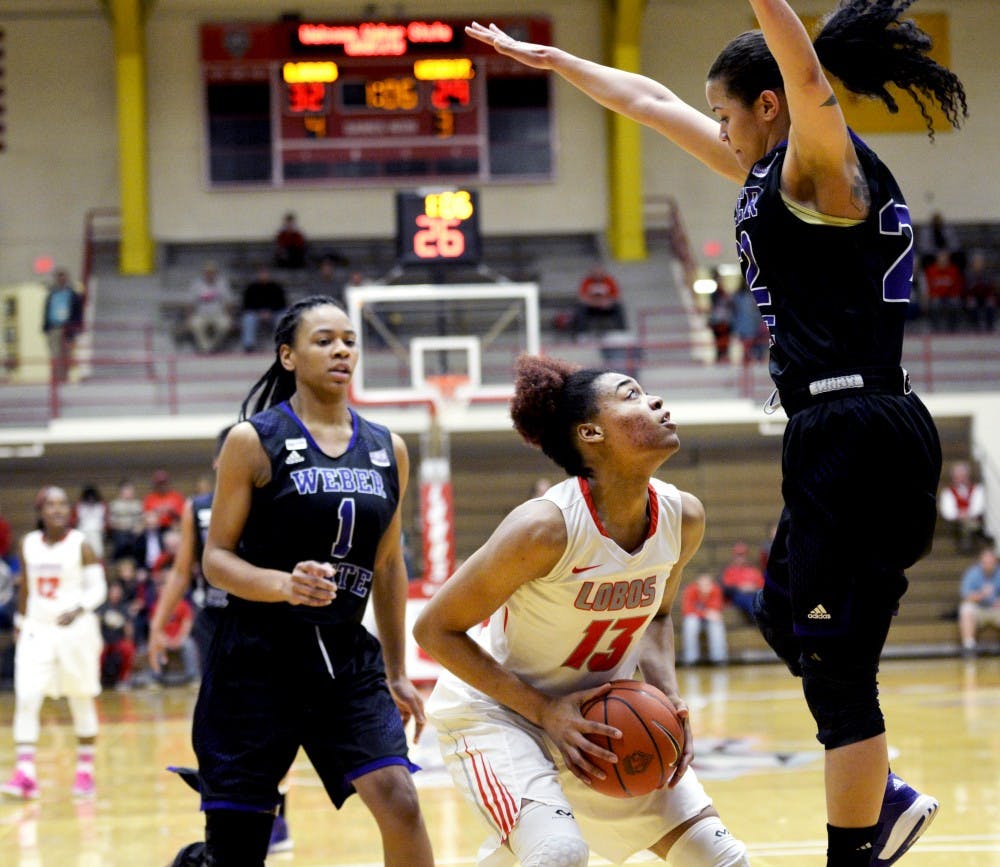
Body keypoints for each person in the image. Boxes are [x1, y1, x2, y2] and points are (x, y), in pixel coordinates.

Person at [466, 1, 967, 863]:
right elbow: (650, 104)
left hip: (854, 424)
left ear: (769, 106)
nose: (721, 129)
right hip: (844, 428)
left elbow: (805, 75)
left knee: (835, 665)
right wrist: (557, 63)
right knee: (783, 616)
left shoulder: (822, 164)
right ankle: (878, 790)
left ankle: (860, 840)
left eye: (730, 112)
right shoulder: (769, 177)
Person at [414, 354, 749, 866]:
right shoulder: (545, 528)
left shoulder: (683, 516)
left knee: (723, 860)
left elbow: (656, 616)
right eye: (631, 395)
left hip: (598, 720)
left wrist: (668, 695)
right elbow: (434, 629)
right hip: (502, 714)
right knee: (559, 853)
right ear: (591, 433)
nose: (655, 401)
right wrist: (545, 712)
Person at [168, 295, 433, 867]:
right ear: (288, 355)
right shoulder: (252, 441)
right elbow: (216, 560)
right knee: (238, 851)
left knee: (400, 801)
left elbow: (388, 565)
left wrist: (396, 671)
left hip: (345, 662)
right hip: (254, 662)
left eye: (349, 340)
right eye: (324, 340)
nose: (341, 349)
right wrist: (283, 584)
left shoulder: (390, 449)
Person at [1, 486, 107, 800]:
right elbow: (25, 591)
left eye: (63, 504)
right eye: (51, 504)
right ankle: (25, 774)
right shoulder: (28, 544)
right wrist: (20, 623)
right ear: (41, 511)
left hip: (76, 631)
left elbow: (97, 589)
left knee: (80, 697)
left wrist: (79, 609)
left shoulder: (81, 545)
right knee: (28, 696)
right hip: (38, 629)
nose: (58, 510)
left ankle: (85, 773)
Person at [42, 268, 84, 383]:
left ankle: (64, 379)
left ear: (67, 279)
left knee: (66, 354)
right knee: (55, 355)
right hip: (53, 328)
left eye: (63, 277)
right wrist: (46, 327)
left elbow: (78, 313)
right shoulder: (51, 295)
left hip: (68, 329)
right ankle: (56, 380)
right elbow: (46, 311)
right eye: (59, 277)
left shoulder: (73, 295)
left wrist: (76, 328)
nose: (61, 280)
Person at [958, 547, 1000, 658]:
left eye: (991, 562)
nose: (988, 565)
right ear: (981, 562)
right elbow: (965, 595)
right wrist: (981, 595)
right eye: (986, 562)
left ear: (995, 562)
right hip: (979, 609)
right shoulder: (972, 573)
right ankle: (969, 646)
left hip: (996, 610)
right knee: (966, 608)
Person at [938, 461, 987, 554]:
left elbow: (979, 506)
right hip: (956, 523)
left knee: (969, 523)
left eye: (963, 476)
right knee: (966, 525)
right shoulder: (948, 492)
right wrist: (959, 515)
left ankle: (970, 541)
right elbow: (947, 511)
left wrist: (967, 513)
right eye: (958, 476)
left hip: (973, 518)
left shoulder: (977, 489)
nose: (961, 479)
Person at [186, 261, 234, 353]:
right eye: (207, 272)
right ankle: (206, 348)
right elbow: (190, 303)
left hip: (218, 314)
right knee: (194, 324)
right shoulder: (196, 284)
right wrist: (189, 317)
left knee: (226, 324)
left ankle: (212, 346)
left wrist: (229, 316)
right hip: (201, 315)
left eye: (212, 272)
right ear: (204, 273)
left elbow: (228, 302)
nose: (210, 274)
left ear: (216, 273)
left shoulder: (222, 284)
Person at [681, 573, 728, 667]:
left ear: (712, 584)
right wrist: (705, 613)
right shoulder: (690, 590)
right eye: (702, 585)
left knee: (716, 623)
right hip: (696, 618)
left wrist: (706, 613)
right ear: (697, 585)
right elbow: (687, 609)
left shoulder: (716, 590)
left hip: (708, 620)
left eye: (708, 585)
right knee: (690, 623)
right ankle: (691, 659)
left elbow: (716, 608)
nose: (705, 588)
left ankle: (719, 658)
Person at [98, 579, 136, 690]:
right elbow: (96, 624)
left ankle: (124, 680)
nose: (116, 594)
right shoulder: (102, 607)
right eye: (113, 591)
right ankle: (97, 680)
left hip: (118, 640)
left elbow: (129, 629)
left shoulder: (124, 608)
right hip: (104, 641)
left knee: (128, 649)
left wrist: (128, 631)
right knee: (97, 651)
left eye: (118, 592)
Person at [240, 264, 287, 353]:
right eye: (261, 273)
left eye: (265, 273)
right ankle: (249, 345)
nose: (263, 276)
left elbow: (282, 304)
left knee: (282, 317)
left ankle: (282, 343)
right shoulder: (251, 288)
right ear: (258, 275)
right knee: (248, 318)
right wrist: (259, 312)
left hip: (273, 314)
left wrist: (270, 312)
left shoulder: (276, 287)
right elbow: (246, 305)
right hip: (256, 314)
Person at [572, 264, 627, 337]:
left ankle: (621, 333)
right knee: (581, 308)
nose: (597, 275)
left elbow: (616, 296)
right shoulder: (586, 282)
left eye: (599, 273)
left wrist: (608, 302)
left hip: (606, 308)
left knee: (618, 306)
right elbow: (582, 298)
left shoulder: (609, 281)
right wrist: (597, 302)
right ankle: (582, 334)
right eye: (595, 273)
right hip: (591, 308)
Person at [719, 541, 764, 622]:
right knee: (750, 601)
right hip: (739, 596)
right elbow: (724, 589)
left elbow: (762, 586)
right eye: (738, 555)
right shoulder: (729, 571)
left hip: (755, 594)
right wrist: (740, 588)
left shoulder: (754, 570)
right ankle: (760, 619)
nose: (740, 557)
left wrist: (753, 588)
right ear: (734, 556)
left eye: (742, 555)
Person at [923, 250, 963, 332]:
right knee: (935, 303)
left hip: (950, 296)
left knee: (955, 302)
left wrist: (951, 294)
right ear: (937, 260)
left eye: (945, 259)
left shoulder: (953, 270)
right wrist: (932, 295)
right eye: (941, 259)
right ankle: (936, 327)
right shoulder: (931, 270)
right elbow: (929, 287)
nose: (943, 261)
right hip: (936, 297)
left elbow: (957, 287)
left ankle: (953, 327)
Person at [106, 480, 144, 560]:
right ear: (121, 491)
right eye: (127, 490)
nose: (129, 492)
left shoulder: (138, 504)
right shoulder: (114, 504)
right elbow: (111, 522)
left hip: (135, 532)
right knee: (122, 539)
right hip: (120, 531)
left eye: (131, 490)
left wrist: (140, 527)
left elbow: (142, 520)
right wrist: (124, 527)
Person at [964, 251, 998, 332]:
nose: (978, 264)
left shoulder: (988, 274)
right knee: (971, 303)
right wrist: (969, 296)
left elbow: (991, 288)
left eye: (980, 262)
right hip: (974, 297)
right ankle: (974, 325)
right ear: (973, 263)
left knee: (990, 302)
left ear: (983, 264)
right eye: (976, 262)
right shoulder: (969, 274)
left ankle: (990, 325)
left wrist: (990, 296)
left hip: (985, 297)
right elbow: (967, 289)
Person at [73, 484, 107, 561]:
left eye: (92, 497)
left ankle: (98, 560)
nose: (90, 499)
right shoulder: (79, 506)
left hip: (97, 531)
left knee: (97, 548)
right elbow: (75, 521)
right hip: (82, 531)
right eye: (88, 498)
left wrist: (103, 529)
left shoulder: (101, 506)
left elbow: (105, 521)